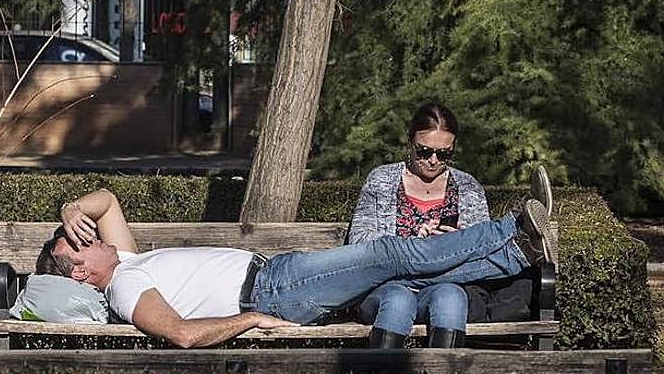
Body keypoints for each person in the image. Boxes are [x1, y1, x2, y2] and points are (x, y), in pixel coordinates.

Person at [34, 185, 556, 349]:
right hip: (271, 294)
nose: (90, 235)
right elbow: (182, 336)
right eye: (79, 242)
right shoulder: (125, 286)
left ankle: (516, 255)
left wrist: (70, 210)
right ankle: (512, 229)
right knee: (392, 253)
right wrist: (250, 321)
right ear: (80, 273)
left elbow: (106, 201)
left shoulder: (128, 258)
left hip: (277, 274)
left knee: (403, 273)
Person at [348, 103, 552, 349]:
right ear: (409, 142)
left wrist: (457, 241)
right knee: (399, 298)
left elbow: (481, 261)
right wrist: (414, 244)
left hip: (442, 283)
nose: (433, 161)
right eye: (424, 151)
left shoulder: (467, 187)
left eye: (444, 154)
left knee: (452, 296)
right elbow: (358, 244)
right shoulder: (381, 180)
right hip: (386, 286)